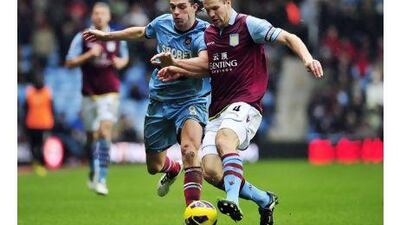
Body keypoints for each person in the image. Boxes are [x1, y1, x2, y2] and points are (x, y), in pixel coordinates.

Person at [154, 0, 324, 224]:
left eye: (216, 8)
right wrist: (178, 71)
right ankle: (265, 200)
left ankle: (232, 200)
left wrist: (308, 58)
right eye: (208, 10)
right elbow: (209, 69)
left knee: (226, 140)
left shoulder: (249, 25)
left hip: (246, 104)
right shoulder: (209, 34)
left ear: (227, 2)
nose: (212, 14)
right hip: (216, 111)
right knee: (212, 172)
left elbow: (289, 37)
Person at [82, 0, 209, 206]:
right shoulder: (162, 23)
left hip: (190, 99)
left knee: (190, 150)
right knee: (154, 166)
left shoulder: (205, 33)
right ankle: (172, 169)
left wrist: (175, 65)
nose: (176, 12)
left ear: (195, 7)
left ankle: (193, 211)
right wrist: (107, 35)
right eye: (172, 6)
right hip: (160, 100)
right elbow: (141, 32)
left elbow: (205, 63)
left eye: (182, 6)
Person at [65, 2, 129, 195]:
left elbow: (125, 57)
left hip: (110, 92)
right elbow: (69, 63)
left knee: (105, 131)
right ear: (92, 16)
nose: (99, 16)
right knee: (91, 136)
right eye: (96, 13)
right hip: (89, 93)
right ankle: (93, 169)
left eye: (102, 13)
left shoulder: (118, 37)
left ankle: (102, 178)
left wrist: (121, 62)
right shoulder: (82, 37)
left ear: (109, 17)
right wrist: (88, 55)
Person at [24, 72, 55, 177]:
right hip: (32, 123)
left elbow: (52, 108)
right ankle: (36, 163)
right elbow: (25, 109)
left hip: (45, 124)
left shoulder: (47, 92)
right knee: (33, 145)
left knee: (42, 146)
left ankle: (42, 164)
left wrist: (53, 122)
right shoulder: (29, 92)